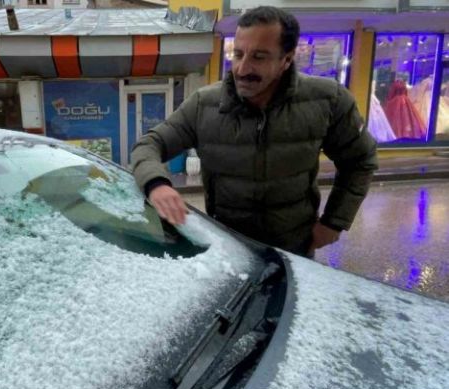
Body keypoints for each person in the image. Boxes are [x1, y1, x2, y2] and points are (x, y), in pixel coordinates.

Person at [130, 6, 378, 257]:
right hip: (228, 251)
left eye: (259, 57)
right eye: (237, 54)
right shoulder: (204, 104)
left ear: (287, 59)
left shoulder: (328, 100)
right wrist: (156, 184)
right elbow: (149, 144)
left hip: (294, 252)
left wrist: (333, 222)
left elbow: (360, 161)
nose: (242, 68)